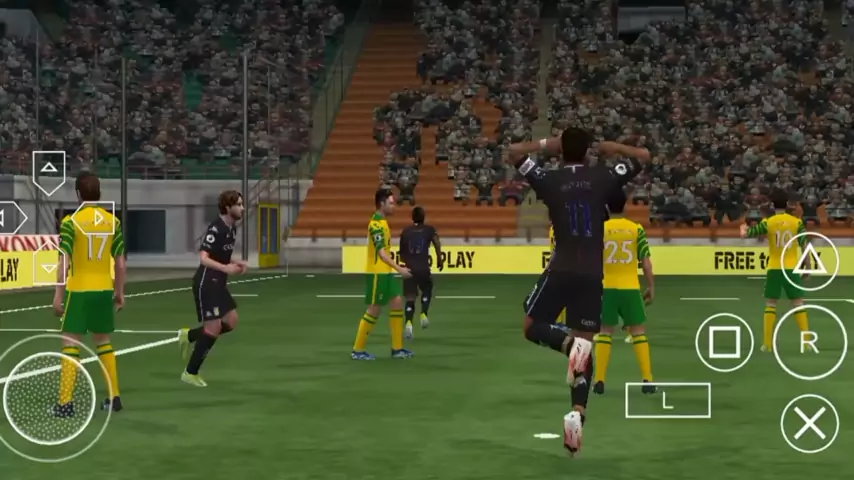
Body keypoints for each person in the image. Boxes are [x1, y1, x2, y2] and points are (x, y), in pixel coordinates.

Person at [508, 128, 649, 454]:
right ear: (587, 151)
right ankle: (577, 413)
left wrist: (545, 144)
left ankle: (568, 345)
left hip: (561, 268)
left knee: (532, 326)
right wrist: (615, 146)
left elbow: (514, 152)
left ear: (561, 150)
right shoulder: (603, 176)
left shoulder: (549, 179)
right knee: (585, 345)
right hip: (591, 274)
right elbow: (644, 157)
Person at [53, 172, 127, 415]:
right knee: (103, 342)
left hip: (79, 289)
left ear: (78, 194)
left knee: (70, 343)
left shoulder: (71, 222)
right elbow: (120, 263)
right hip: (103, 289)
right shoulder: (113, 222)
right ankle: (114, 398)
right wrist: (119, 292)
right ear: (99, 193)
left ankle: (65, 403)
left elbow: (64, 262)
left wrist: (58, 294)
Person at [178, 190, 248, 387]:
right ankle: (190, 372)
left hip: (219, 283)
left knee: (231, 321)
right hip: (206, 283)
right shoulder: (215, 229)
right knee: (213, 328)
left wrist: (236, 262)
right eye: (239, 205)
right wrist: (226, 268)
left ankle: (189, 335)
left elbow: (222, 255)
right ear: (227, 207)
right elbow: (204, 258)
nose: (242, 208)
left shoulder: (232, 228)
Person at [593, 190, 656, 396]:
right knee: (638, 332)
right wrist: (651, 286)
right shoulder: (636, 229)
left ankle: (599, 381)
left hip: (607, 286)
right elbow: (646, 262)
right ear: (626, 206)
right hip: (630, 286)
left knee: (604, 333)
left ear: (607, 208)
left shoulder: (599, 230)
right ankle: (647, 380)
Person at [740, 191, 814, 353]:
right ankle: (807, 342)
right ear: (787, 204)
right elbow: (804, 245)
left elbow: (746, 234)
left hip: (774, 267)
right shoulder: (796, 222)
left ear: (773, 205)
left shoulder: (768, 222)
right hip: (791, 268)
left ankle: (767, 344)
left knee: (771, 304)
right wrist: (807, 267)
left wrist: (743, 227)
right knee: (798, 303)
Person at [351, 189, 414, 360]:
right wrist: (399, 269)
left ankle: (397, 349)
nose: (394, 206)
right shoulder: (376, 225)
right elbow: (381, 253)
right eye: (391, 203)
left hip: (386, 272)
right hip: (377, 273)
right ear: (381, 204)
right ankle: (358, 350)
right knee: (374, 309)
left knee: (397, 301)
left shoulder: (384, 223)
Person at [399, 206, 444, 340]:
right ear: (424, 217)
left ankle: (409, 324)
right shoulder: (429, 229)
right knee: (427, 288)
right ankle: (423, 313)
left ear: (412, 218)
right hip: (423, 267)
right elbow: (436, 242)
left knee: (410, 298)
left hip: (409, 269)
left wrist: (407, 262)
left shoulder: (406, 231)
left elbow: (401, 253)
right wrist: (439, 258)